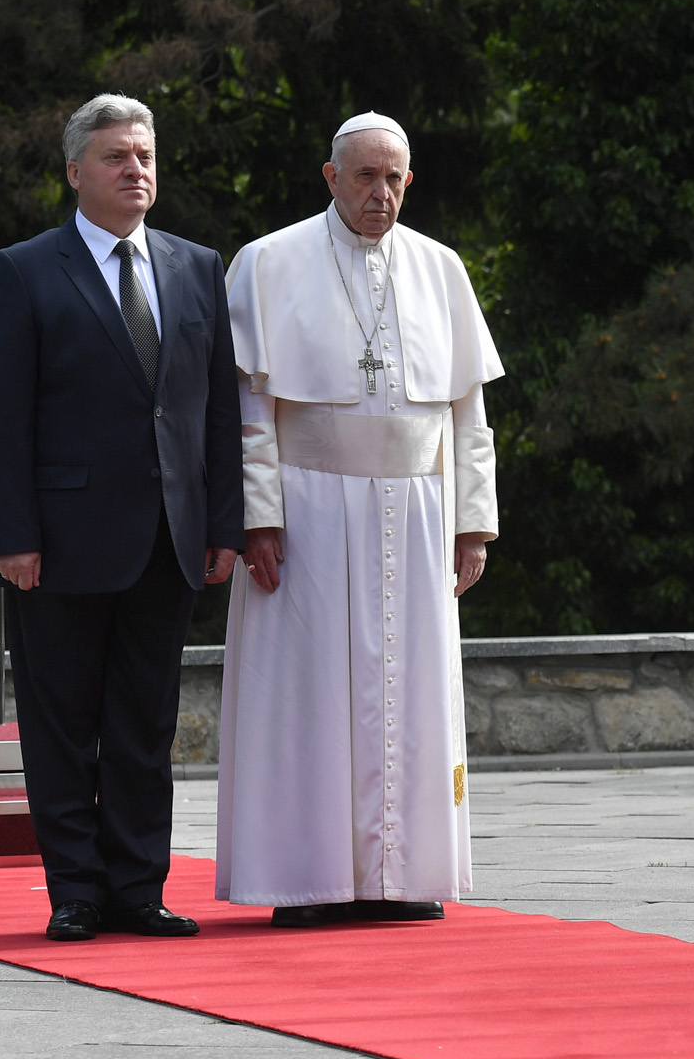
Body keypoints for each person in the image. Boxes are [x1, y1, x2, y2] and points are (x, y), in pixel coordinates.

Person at [215, 113, 503, 926]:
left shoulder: (441, 269)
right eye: (366, 176)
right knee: (307, 696)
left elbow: (468, 415)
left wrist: (472, 522)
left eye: (394, 178)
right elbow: (249, 409)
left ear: (409, 181)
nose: (381, 193)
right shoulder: (269, 262)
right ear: (331, 176)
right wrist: (258, 516)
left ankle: (403, 874)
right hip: (308, 512)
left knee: (414, 695)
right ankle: (307, 880)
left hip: (417, 513)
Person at [0, 95, 243, 943]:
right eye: (116, 156)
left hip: (170, 537)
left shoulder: (197, 266)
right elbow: (2, 418)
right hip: (61, 543)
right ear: (74, 171)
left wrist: (224, 525)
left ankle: (137, 886)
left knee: (144, 725)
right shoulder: (24, 270)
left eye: (145, 155)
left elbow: (217, 410)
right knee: (62, 725)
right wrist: (12, 535)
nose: (136, 169)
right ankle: (76, 893)